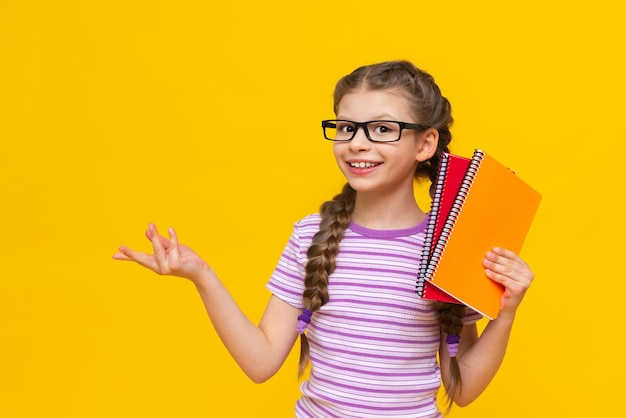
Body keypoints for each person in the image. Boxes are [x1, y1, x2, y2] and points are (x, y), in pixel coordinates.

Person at [113, 60, 535, 417]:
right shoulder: (308, 236)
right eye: (346, 127)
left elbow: (462, 390)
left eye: (382, 129)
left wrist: (506, 313)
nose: (357, 144)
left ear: (425, 143)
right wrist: (200, 274)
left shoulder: (451, 245)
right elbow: (261, 363)